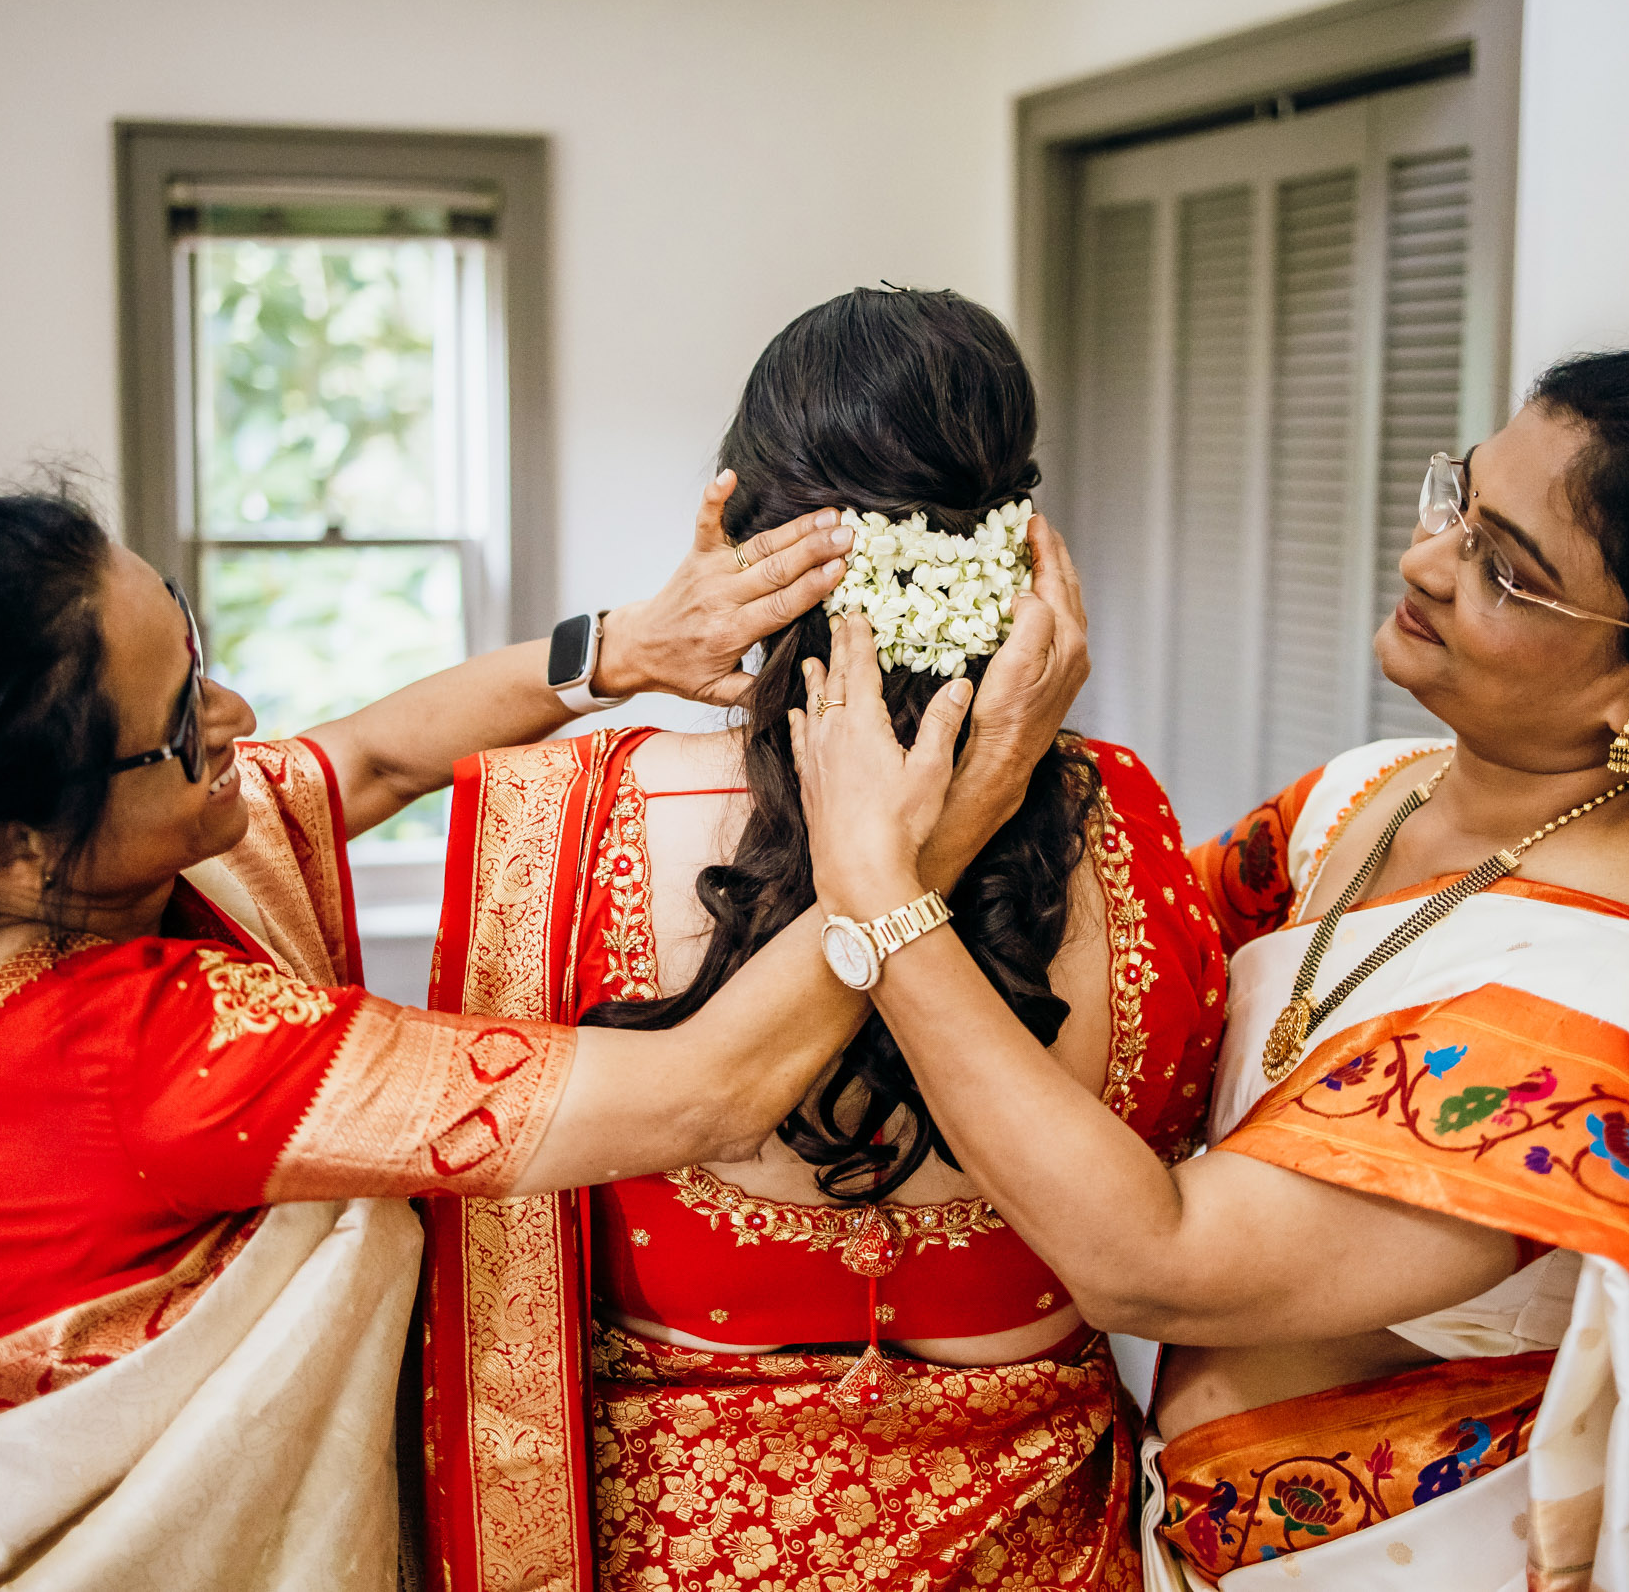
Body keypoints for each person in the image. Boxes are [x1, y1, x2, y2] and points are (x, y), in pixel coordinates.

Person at [0, 473, 1069, 1592]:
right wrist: (921, 849)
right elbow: (706, 1089)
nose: (237, 723)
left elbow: (362, 758)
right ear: (15, 849)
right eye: (179, 730)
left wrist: (629, 643)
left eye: (195, 652)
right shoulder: (139, 1054)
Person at [794, 349, 1629, 1591]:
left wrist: (884, 897)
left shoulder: (1610, 1010)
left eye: (1505, 568)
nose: (1426, 559)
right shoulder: (1368, 795)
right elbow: (1129, 965)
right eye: (1456, 495)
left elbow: (1153, 1260)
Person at [422, 287, 1228, 1591]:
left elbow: (491, 1196)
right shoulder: (1122, 810)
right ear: (1017, 542)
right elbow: (1178, 1116)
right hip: (1038, 1542)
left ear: (735, 522)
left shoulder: (555, 818)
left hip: (679, 1544)